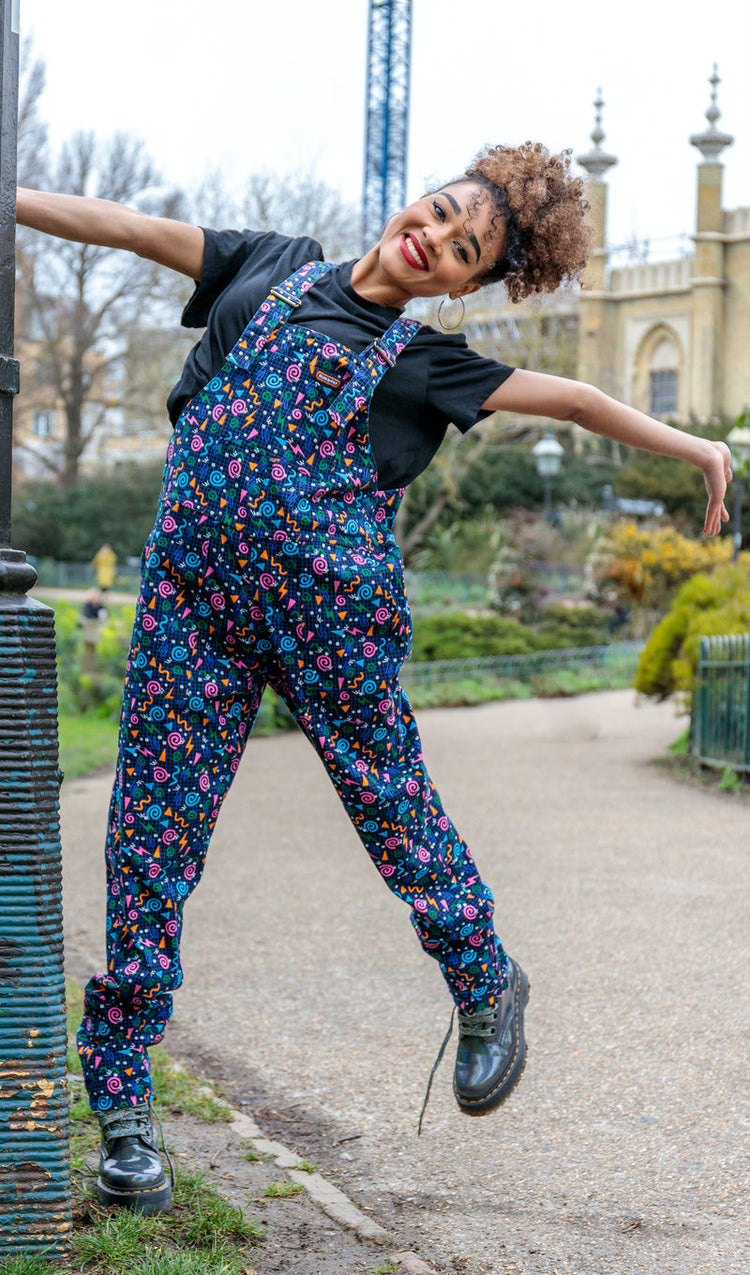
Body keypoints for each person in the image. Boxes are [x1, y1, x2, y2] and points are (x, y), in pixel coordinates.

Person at [17, 141, 732, 1215]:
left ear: (467, 284)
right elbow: (124, 226)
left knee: (393, 809)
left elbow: (580, 400)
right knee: (149, 842)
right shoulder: (268, 265)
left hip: (330, 620)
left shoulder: (426, 363)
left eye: (465, 249)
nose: (436, 238)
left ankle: (485, 981)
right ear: (419, 198)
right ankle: (122, 1106)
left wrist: (706, 453)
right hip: (193, 612)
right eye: (442, 212)